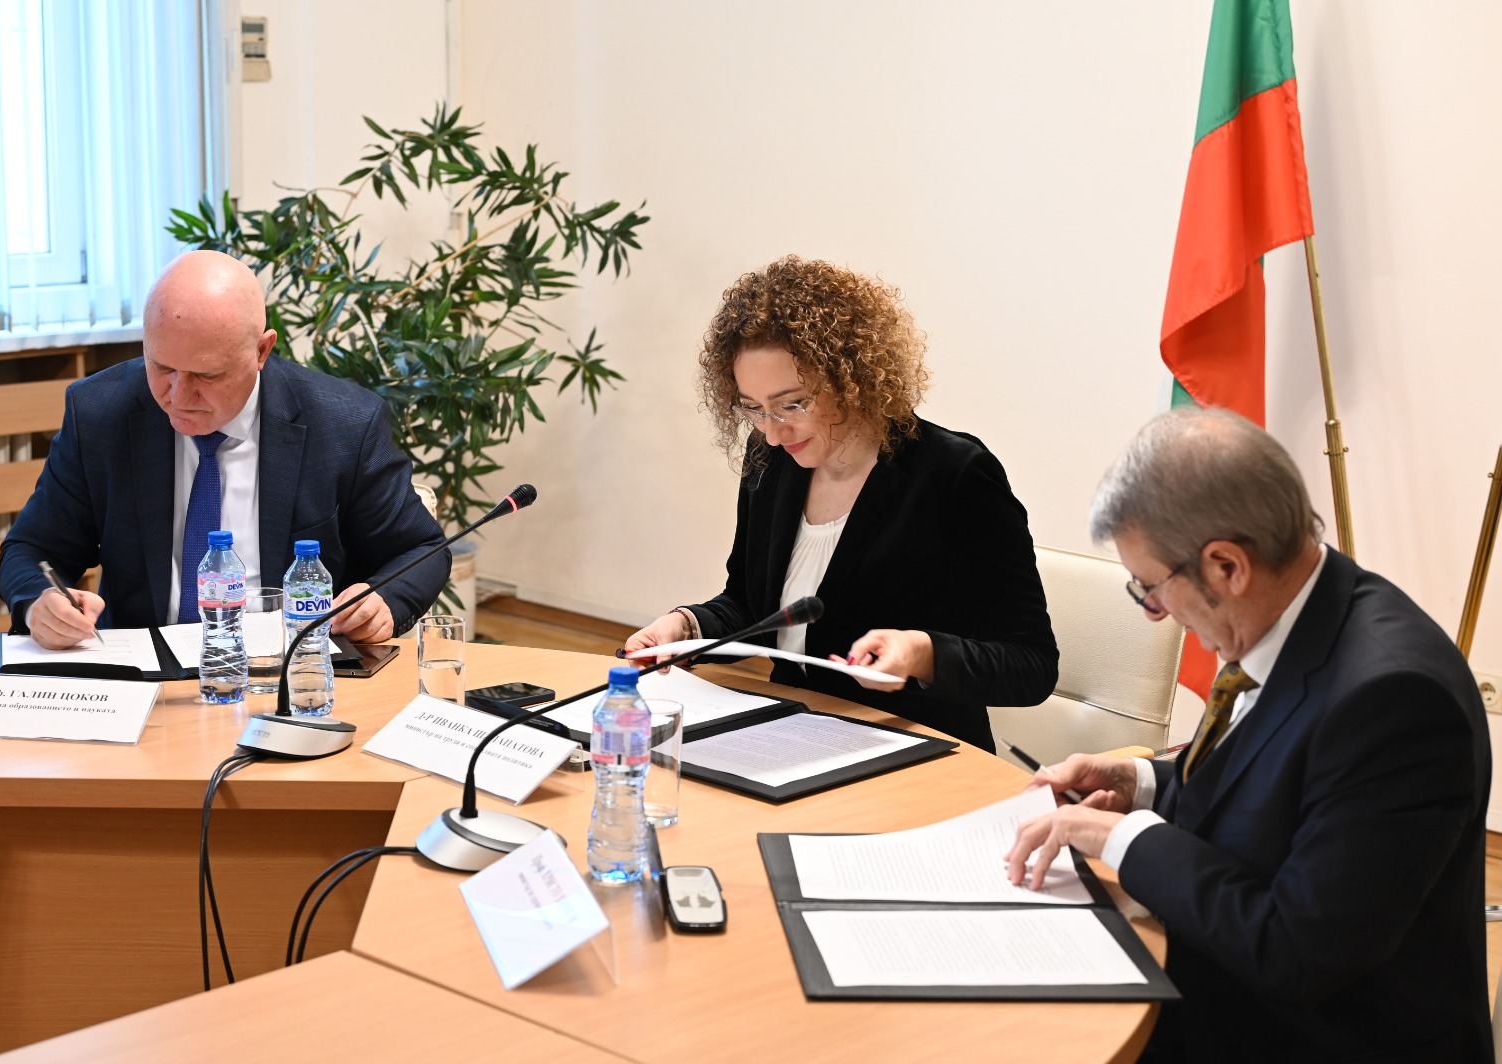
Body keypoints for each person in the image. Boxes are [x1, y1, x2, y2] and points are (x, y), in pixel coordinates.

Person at [1005, 408, 1490, 1061]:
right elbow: (1269, 779)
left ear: (1227, 567)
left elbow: (1298, 953)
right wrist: (1141, 782)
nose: (1154, 614)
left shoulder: (1395, 702)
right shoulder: (1298, 611)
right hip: (1223, 988)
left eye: (1151, 588)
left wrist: (1122, 838)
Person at [623, 256, 1057, 750]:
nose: (773, 431)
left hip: (916, 754)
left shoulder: (955, 475)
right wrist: (687, 627)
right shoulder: (772, 460)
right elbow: (754, 607)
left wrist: (923, 654)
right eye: (754, 409)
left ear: (851, 377)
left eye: (792, 404)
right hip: (792, 739)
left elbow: (1032, 667)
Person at [0, 250, 449, 649]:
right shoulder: (100, 413)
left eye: (207, 375)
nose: (178, 395)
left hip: (290, 671)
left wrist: (382, 600)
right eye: (162, 367)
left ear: (261, 351)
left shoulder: (342, 425)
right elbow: (31, 549)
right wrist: (40, 602)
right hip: (146, 674)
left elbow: (423, 550)